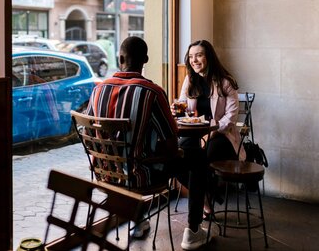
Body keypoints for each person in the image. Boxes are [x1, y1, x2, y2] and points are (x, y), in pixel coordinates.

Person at [86, 36, 210, 250]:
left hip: (106, 174)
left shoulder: (98, 90)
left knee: (136, 159)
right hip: (141, 176)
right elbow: (171, 145)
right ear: (146, 59)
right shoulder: (152, 92)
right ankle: (193, 231)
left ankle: (139, 220)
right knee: (197, 157)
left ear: (120, 57)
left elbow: (90, 134)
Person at [176, 39, 246, 217]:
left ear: (209, 57)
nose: (194, 60)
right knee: (177, 156)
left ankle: (202, 204)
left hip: (223, 137)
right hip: (196, 134)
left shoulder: (226, 83)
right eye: (191, 57)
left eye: (199, 55)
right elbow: (183, 106)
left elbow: (230, 119)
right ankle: (207, 197)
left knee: (205, 155)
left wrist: (210, 133)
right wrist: (177, 110)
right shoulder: (189, 80)